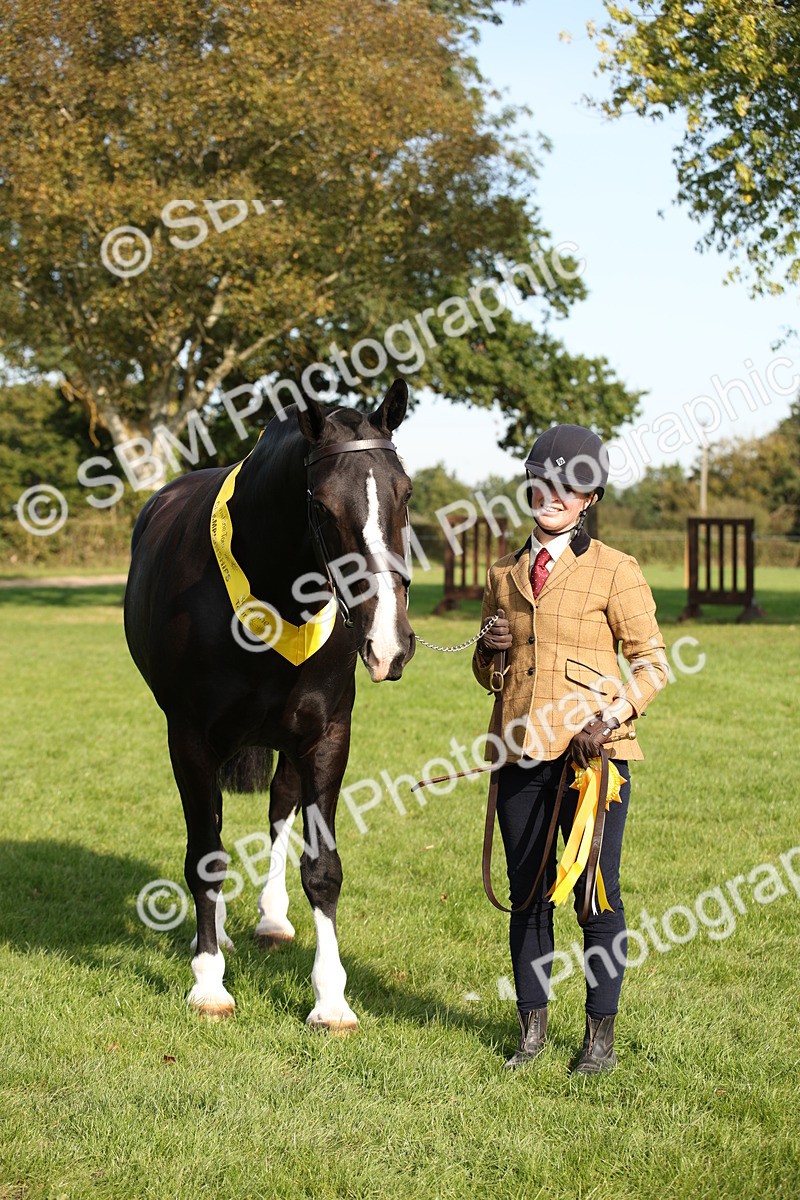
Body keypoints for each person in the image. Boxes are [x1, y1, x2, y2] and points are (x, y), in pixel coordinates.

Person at [472, 424, 668, 1073]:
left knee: (594, 896)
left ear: (589, 498)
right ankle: (531, 1034)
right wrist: (488, 651)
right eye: (542, 481)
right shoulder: (504, 573)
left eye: (569, 486)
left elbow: (652, 665)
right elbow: (490, 676)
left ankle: (598, 1041)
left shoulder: (617, 570)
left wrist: (610, 718)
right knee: (527, 894)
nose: (552, 495)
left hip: (593, 760)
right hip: (520, 754)